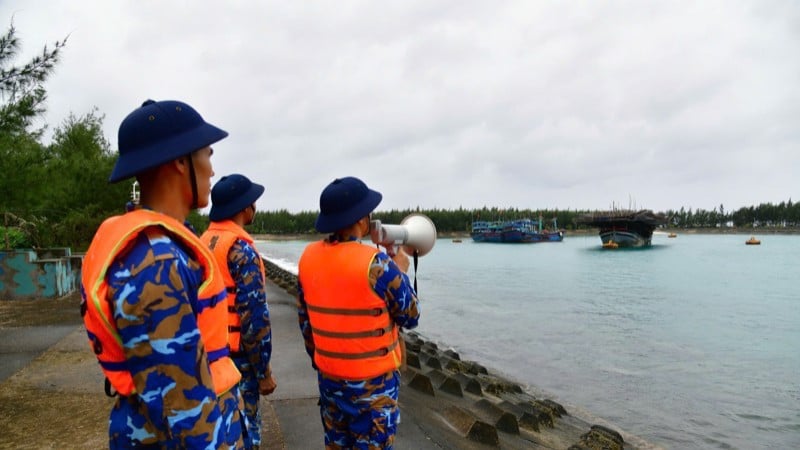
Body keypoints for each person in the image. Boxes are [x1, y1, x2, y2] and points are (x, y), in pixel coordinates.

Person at [80, 99, 245, 449]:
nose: (212, 171)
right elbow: (180, 410)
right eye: (207, 155)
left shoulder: (160, 247)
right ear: (179, 162)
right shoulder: (158, 264)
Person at [296, 176, 421, 449]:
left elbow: (306, 323)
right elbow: (411, 315)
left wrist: (326, 362)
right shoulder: (377, 265)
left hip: (330, 383)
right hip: (374, 391)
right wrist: (399, 268)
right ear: (362, 220)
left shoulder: (307, 259)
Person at [200, 174, 277, 449]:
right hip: (238, 359)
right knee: (247, 433)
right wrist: (263, 370)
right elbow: (253, 318)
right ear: (245, 207)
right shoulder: (241, 249)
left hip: (208, 355)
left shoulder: (202, 242)